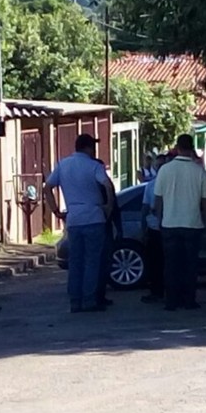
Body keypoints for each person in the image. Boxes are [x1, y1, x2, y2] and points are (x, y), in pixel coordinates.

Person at [44, 134, 115, 313]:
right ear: (88, 148)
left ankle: (75, 300)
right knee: (92, 261)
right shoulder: (94, 166)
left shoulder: (63, 165)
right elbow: (107, 185)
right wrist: (108, 206)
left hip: (73, 218)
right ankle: (89, 300)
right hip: (94, 216)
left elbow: (47, 187)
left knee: (76, 261)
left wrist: (55, 210)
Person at [154, 134, 206, 311]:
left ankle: (171, 301)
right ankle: (189, 300)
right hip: (192, 224)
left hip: (170, 224)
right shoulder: (199, 171)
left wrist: (160, 219)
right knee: (190, 265)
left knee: (171, 264)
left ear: (177, 147)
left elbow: (158, 199)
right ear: (191, 148)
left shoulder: (165, 170)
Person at [140, 154, 167, 303]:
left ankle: (160, 291)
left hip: (164, 228)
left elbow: (145, 208)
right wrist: (143, 228)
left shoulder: (155, 185)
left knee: (161, 262)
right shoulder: (151, 185)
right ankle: (157, 291)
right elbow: (145, 209)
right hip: (156, 229)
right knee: (156, 263)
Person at [96, 159, 121, 308]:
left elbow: (115, 207)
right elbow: (115, 207)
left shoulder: (99, 185)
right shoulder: (104, 185)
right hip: (103, 226)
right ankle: (98, 295)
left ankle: (98, 294)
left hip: (103, 225)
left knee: (102, 262)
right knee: (102, 262)